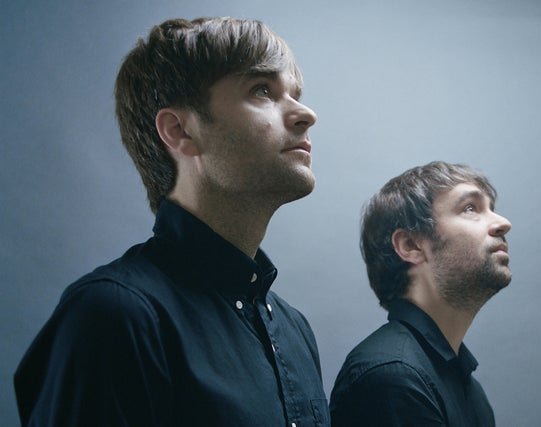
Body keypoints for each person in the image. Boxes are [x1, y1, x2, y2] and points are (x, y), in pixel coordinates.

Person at [14, 17, 329, 426]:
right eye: (262, 90)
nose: (306, 113)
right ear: (179, 131)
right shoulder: (114, 317)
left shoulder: (294, 329)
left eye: (295, 94)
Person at [330, 161, 512, 426]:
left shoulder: (470, 391)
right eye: (470, 208)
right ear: (411, 245)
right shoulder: (394, 377)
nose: (503, 223)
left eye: (491, 208)